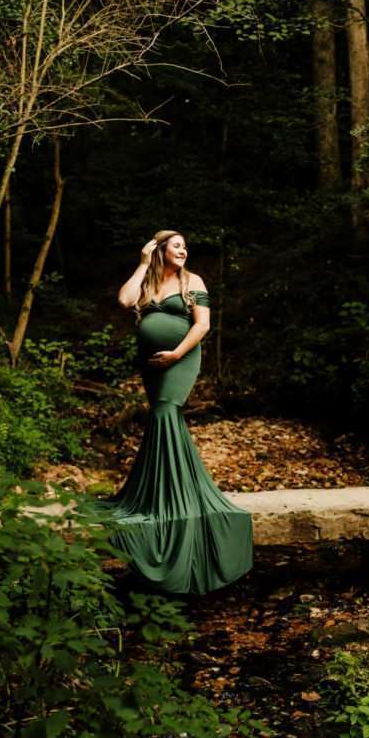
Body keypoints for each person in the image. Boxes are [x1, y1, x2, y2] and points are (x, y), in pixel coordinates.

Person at [102, 229, 253, 594]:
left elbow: (203, 324)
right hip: (151, 364)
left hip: (181, 358)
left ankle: (174, 497)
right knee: (159, 416)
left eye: (185, 245)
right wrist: (141, 264)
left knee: (166, 412)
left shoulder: (193, 280)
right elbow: (124, 301)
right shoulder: (148, 282)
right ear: (158, 250)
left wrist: (176, 354)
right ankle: (159, 493)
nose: (184, 250)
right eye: (176, 245)